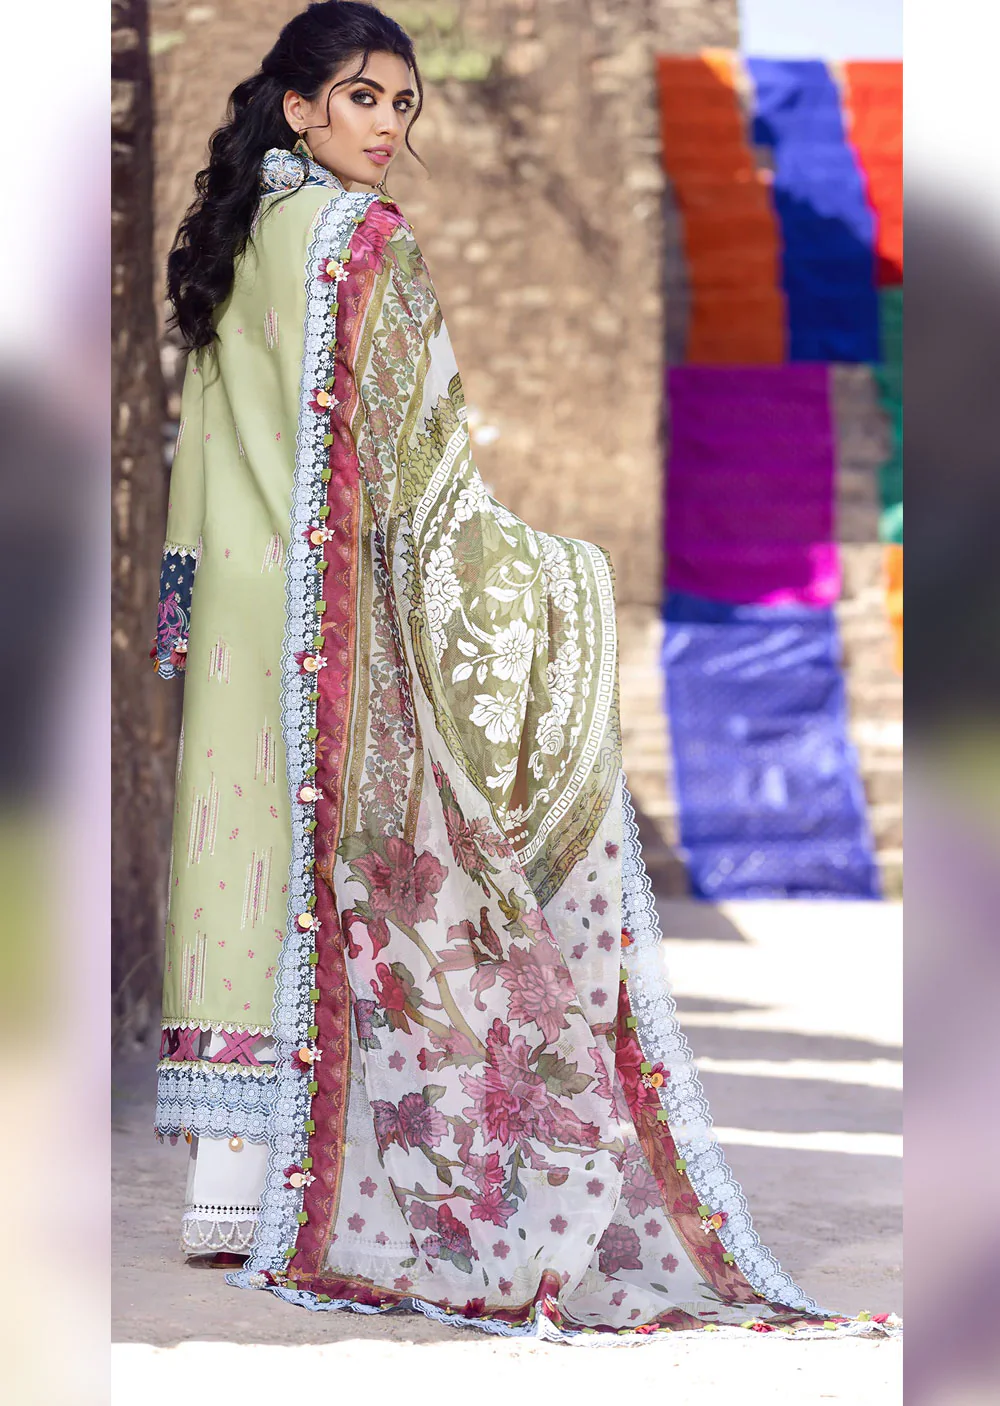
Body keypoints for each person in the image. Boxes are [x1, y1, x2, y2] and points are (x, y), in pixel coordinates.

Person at [153, 0, 896, 1341]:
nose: (389, 125)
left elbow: (199, 454)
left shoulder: (231, 237)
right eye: (364, 97)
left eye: (404, 103)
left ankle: (227, 1188)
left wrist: (183, 608)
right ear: (301, 106)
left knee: (239, 856)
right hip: (340, 612)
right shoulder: (366, 240)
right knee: (349, 868)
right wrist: (557, 575)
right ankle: (322, 1187)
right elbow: (421, 467)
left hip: (238, 612)